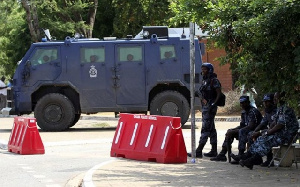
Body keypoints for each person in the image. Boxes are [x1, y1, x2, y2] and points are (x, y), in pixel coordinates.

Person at [239, 92, 299, 170]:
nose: (274, 100)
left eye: (276, 98)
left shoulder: (286, 109)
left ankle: (252, 159)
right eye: (274, 98)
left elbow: (279, 125)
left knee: (267, 140)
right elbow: (274, 123)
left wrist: (268, 132)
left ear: (281, 99)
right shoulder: (280, 108)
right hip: (280, 133)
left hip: (288, 135)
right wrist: (266, 131)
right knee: (261, 138)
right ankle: (249, 156)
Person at [210, 96, 262, 163]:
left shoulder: (253, 111)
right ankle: (222, 154)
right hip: (246, 130)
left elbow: (251, 126)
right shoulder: (244, 112)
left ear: (248, 103)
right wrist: (233, 130)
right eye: (241, 103)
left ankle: (240, 155)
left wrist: (236, 130)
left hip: (255, 131)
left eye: (244, 103)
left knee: (241, 131)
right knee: (230, 131)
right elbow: (242, 125)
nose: (242, 105)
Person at [230, 93, 277, 166]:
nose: (265, 104)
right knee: (250, 134)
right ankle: (248, 157)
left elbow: (275, 125)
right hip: (267, 131)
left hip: (275, 132)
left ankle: (265, 159)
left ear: (272, 102)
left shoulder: (277, 111)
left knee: (263, 137)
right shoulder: (268, 111)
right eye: (264, 102)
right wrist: (255, 132)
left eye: (267, 101)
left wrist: (259, 132)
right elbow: (262, 123)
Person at [187, 62, 221, 158]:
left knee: (205, 128)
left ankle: (199, 150)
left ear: (210, 70)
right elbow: (202, 93)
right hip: (205, 107)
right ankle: (214, 151)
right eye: (202, 69)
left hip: (210, 108)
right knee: (212, 129)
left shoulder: (214, 80)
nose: (203, 71)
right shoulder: (205, 80)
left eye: (205, 69)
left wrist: (213, 103)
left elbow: (219, 93)